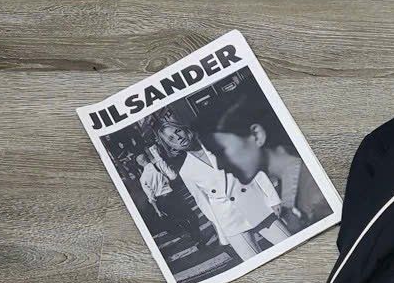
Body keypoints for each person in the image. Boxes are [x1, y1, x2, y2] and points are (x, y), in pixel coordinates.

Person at [139, 107, 279, 261]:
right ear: (171, 147)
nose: (178, 138)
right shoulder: (186, 171)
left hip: (258, 206)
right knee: (255, 264)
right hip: (230, 222)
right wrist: (221, 231)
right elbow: (204, 204)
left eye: (177, 131)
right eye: (171, 139)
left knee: (288, 246)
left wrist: (273, 199)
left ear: (185, 130)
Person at [207, 100, 329, 239]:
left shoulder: (315, 193)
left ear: (256, 135)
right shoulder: (291, 183)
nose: (220, 166)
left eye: (222, 151)